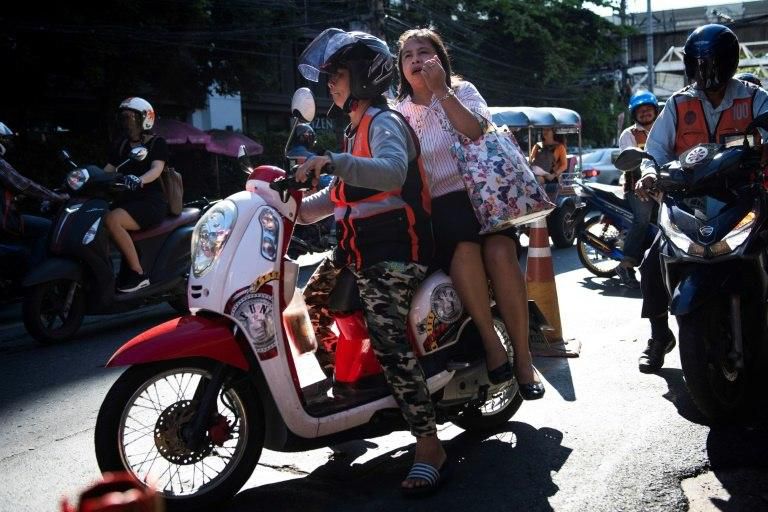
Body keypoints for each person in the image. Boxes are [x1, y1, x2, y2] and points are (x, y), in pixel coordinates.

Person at [293, 28, 445, 496]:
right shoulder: (352, 128)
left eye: (336, 76)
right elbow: (334, 195)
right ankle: (352, 395)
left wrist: (333, 161)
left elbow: (391, 171)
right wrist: (287, 205)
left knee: (388, 341)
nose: (330, 85)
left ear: (360, 76)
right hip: (357, 251)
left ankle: (428, 442)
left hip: (395, 252)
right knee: (309, 308)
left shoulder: (383, 121)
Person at [394, 29, 543, 397]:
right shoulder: (397, 111)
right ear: (400, 67)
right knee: (464, 250)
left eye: (424, 52)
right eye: (408, 54)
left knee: (500, 252)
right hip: (441, 205)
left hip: (487, 196)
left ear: (440, 59)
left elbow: (475, 131)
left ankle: (524, 359)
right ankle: (492, 344)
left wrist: (441, 90)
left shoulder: (463, 91)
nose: (416, 59)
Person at [634, 24, 768, 373]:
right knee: (652, 262)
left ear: (728, 62)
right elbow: (655, 151)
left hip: (743, 193)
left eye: (713, 63)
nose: (707, 71)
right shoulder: (677, 104)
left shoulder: (752, 97)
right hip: (688, 200)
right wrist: (649, 173)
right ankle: (659, 335)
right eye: (699, 63)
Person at [104, 97, 168, 293]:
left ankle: (138, 274)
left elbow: (156, 169)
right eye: (123, 118)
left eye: (130, 117)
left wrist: (140, 179)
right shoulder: (121, 145)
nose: (126, 122)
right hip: (127, 201)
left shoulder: (157, 143)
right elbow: (107, 170)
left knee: (112, 219)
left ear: (144, 119)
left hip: (150, 202)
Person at [0, 123, 68, 266]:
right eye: (5, 139)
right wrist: (56, 197)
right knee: (48, 227)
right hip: (4, 221)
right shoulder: (1, 164)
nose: (8, 143)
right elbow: (25, 185)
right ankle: (36, 275)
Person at [615, 90, 660, 288]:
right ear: (635, 114)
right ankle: (626, 264)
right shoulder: (629, 134)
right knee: (642, 220)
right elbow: (630, 161)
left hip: (663, 185)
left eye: (648, 110)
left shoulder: (663, 129)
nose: (645, 114)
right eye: (641, 111)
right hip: (637, 187)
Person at [529, 127, 568, 193]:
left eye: (548, 130)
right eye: (543, 130)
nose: (545, 132)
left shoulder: (560, 147)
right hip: (537, 174)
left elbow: (564, 165)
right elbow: (531, 161)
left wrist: (553, 175)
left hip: (551, 177)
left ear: (553, 132)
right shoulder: (537, 145)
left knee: (536, 180)